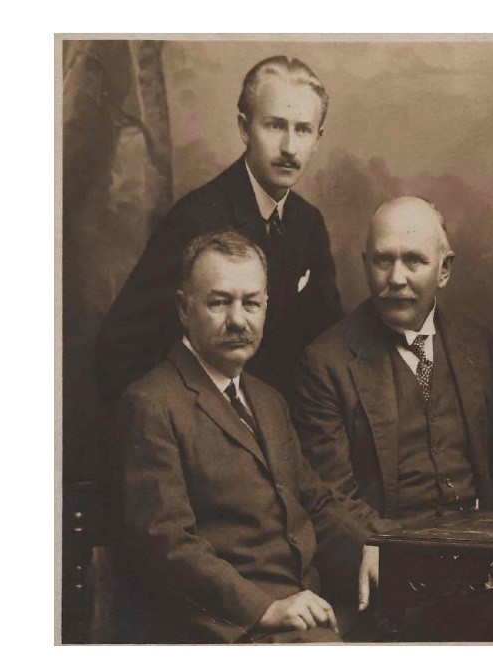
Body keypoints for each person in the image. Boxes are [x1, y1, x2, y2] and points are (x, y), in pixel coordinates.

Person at [115, 230, 387, 643]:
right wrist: (265, 609)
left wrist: (368, 547)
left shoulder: (267, 400)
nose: (238, 320)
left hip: (306, 608)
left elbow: (314, 502)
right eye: (219, 302)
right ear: (184, 308)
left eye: (251, 303)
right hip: (227, 627)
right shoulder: (151, 404)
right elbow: (167, 547)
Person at [96, 55, 342, 405]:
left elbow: (327, 343)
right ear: (244, 128)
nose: (289, 147)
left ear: (318, 138)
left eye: (302, 130)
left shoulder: (308, 223)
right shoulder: (194, 220)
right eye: (274, 126)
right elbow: (119, 348)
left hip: (283, 421)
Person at [293, 196, 493, 531]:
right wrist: (393, 550)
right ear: (365, 264)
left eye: (413, 261)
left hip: (481, 540)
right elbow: (332, 497)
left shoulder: (479, 348)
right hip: (387, 546)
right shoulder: (326, 363)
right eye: (383, 260)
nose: (396, 278)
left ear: (444, 270)